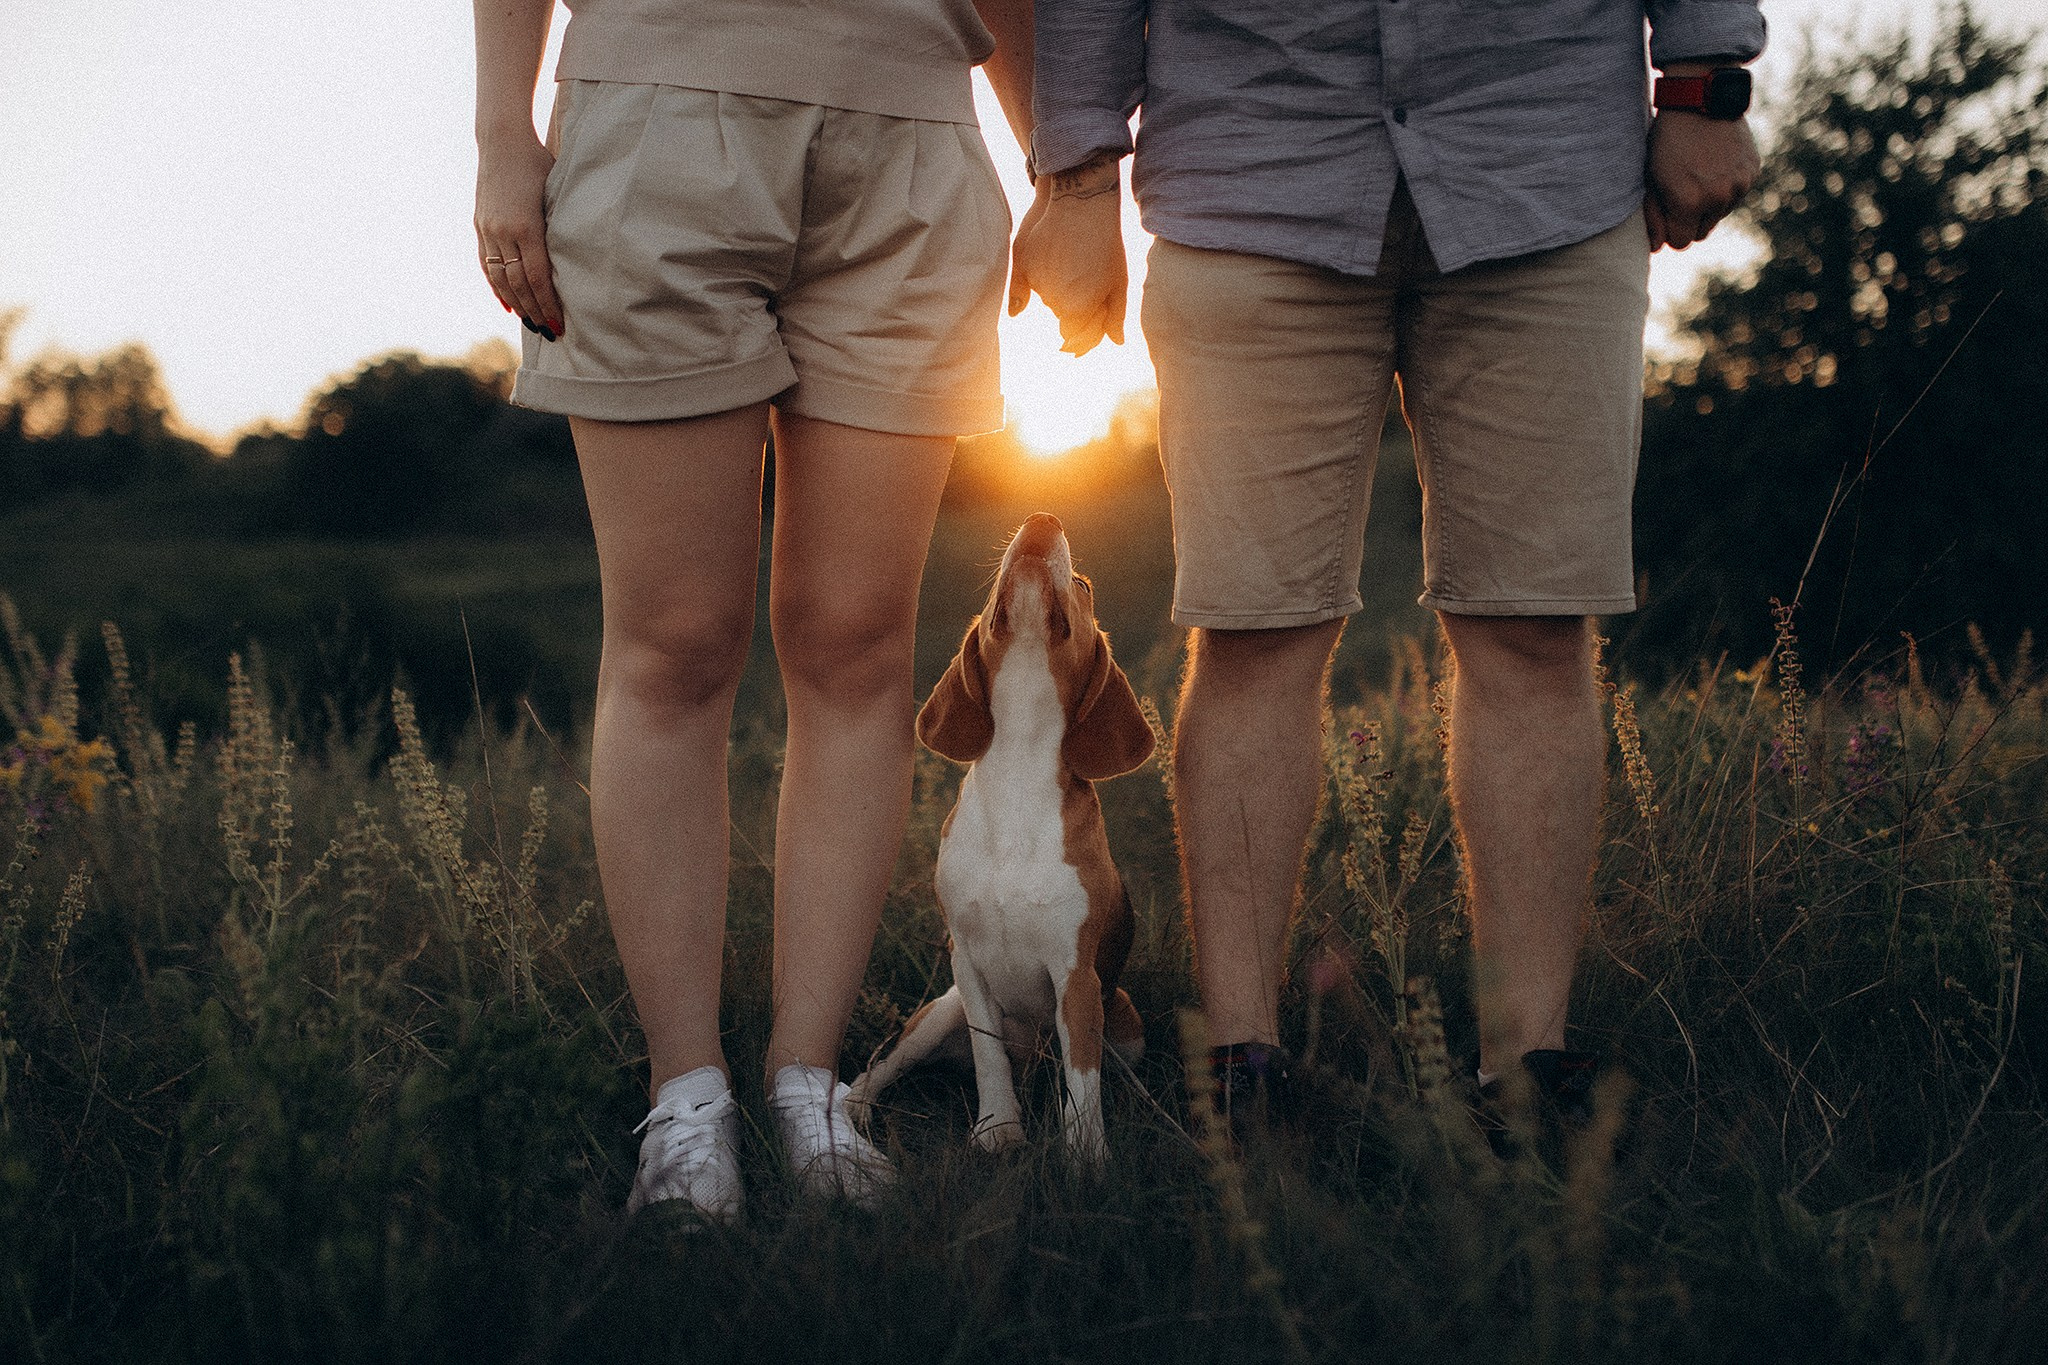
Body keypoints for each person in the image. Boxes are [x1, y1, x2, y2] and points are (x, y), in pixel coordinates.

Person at [1012, 0, 1764, 1121]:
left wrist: (1705, 76)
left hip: (1542, 162)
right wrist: (1074, 178)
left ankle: (1527, 1073)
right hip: (1252, 170)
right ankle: (1241, 1073)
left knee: (1535, 627)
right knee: (1253, 631)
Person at [471, 0, 1037, 1218]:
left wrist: (1056, 164)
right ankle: (686, 1101)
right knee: (674, 642)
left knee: (857, 643)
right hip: (657, 118)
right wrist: (501, 137)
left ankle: (808, 1085)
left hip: (912, 144)